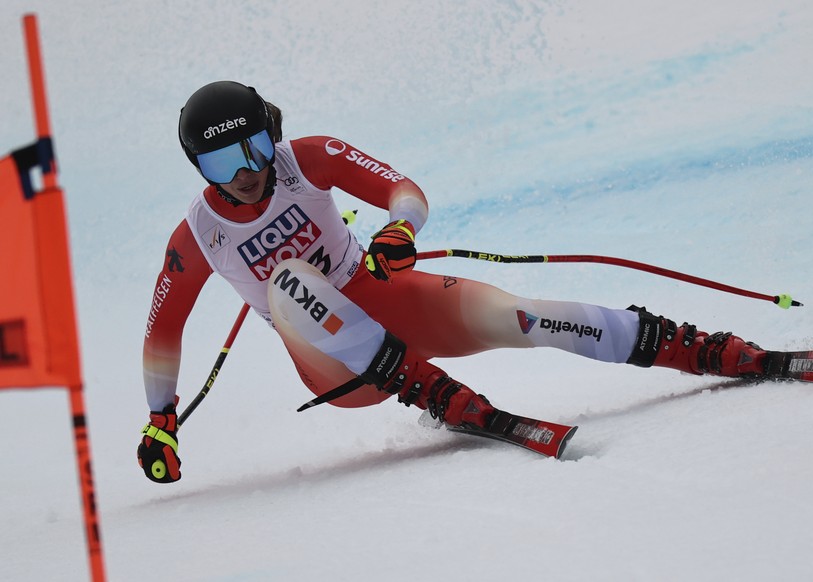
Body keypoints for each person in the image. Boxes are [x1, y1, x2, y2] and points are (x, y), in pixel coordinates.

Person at [137, 80, 772, 483]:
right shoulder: (197, 236)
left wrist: (400, 231)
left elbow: (403, 191)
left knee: (522, 316)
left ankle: (695, 347)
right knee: (290, 281)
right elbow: (163, 329)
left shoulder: (310, 157)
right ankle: (438, 393)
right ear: (199, 167)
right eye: (224, 161)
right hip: (338, 367)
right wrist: (160, 419)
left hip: (386, 298)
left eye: (254, 148)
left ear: (271, 136)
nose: (247, 172)